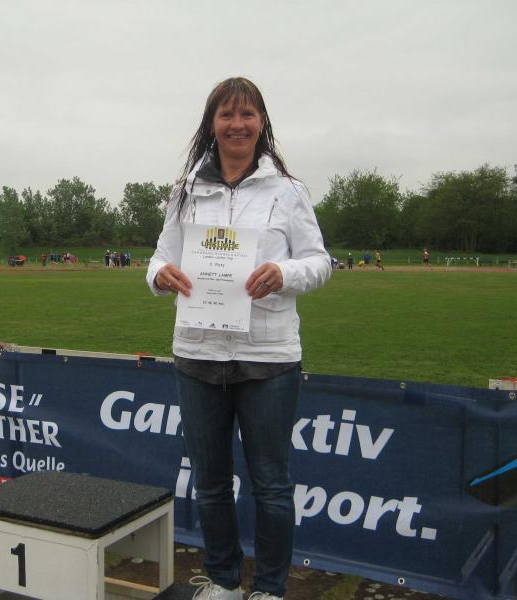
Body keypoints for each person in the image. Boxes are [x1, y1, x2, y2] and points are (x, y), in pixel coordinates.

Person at [147, 77, 331, 600]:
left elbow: (320, 262)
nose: (237, 124)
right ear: (212, 125)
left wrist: (284, 273)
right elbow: (160, 258)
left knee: (271, 484)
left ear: (261, 123)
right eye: (226, 115)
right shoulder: (185, 192)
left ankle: (269, 589)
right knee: (209, 483)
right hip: (198, 353)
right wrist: (159, 276)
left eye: (247, 115)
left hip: (268, 357)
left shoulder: (288, 191)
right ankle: (224, 583)